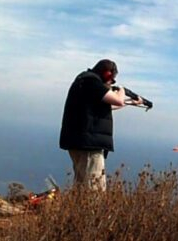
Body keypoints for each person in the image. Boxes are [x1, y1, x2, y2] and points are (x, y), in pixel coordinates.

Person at [59, 59, 142, 190]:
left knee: (81, 185)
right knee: (95, 188)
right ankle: (93, 211)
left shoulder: (84, 81)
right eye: (112, 79)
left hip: (80, 141)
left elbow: (108, 106)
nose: (111, 83)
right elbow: (118, 101)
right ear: (108, 74)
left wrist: (132, 102)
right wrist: (122, 90)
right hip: (88, 145)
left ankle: (77, 211)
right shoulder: (91, 82)